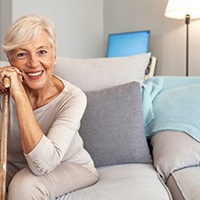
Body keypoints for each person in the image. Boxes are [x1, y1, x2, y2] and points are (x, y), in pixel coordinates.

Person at [0, 14, 98, 199]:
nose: (33, 63)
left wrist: (20, 95)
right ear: (10, 60)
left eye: (42, 52)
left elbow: (42, 165)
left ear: (54, 55)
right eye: (22, 54)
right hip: (14, 165)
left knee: (25, 186)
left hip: (68, 166)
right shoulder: (3, 85)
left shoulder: (73, 98)